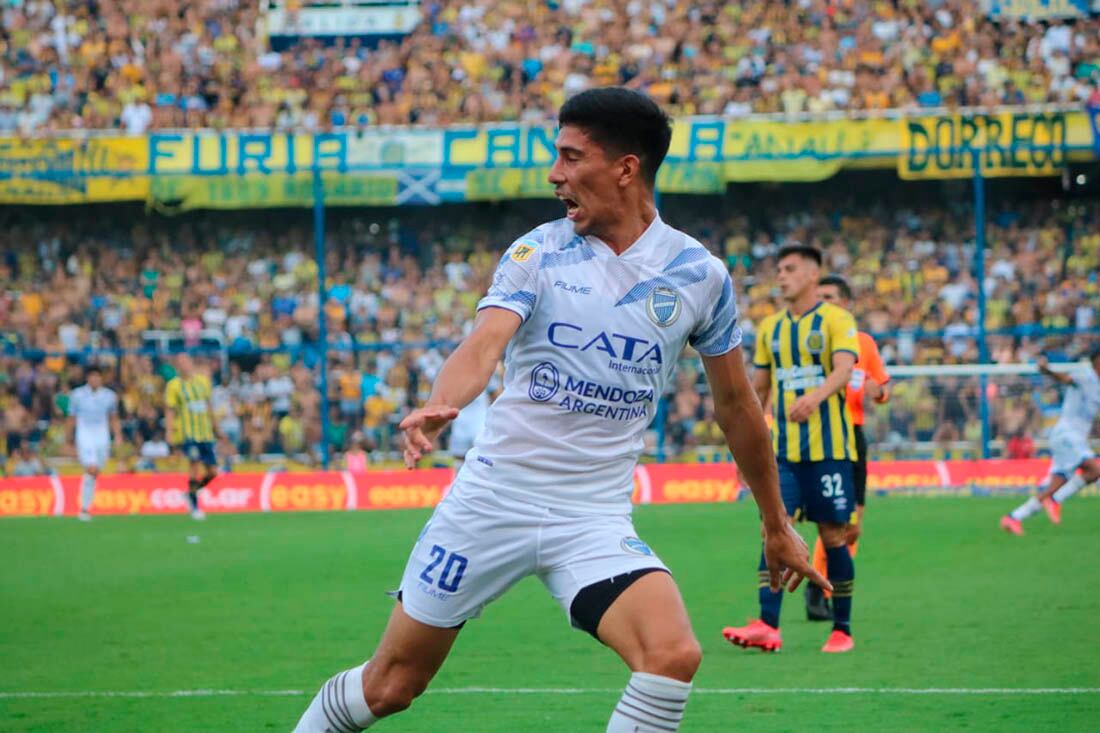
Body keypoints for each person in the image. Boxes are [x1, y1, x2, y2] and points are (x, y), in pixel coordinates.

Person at [294, 87, 826, 733]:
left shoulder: (699, 274)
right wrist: (443, 402)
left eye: (572, 158)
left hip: (592, 515)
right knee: (392, 685)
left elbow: (738, 405)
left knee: (672, 653)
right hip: (493, 500)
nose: (556, 175)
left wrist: (774, 521)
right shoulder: (537, 251)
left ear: (626, 168)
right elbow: (483, 342)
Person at [722, 245, 860, 654]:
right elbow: (757, 391)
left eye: (790, 269)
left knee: (834, 536)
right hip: (782, 453)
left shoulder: (837, 319)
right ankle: (768, 624)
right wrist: (743, 454)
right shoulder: (771, 328)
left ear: (813, 275)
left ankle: (842, 629)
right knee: (772, 528)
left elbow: (844, 369)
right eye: (779, 270)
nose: (781, 276)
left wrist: (814, 398)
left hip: (830, 449)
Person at [804, 275, 890, 621]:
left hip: (852, 435)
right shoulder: (810, 340)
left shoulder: (864, 344)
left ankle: (827, 591)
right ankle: (815, 590)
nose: (824, 302)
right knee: (830, 520)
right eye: (819, 296)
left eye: (830, 297)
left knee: (852, 523)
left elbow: (883, 390)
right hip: (819, 435)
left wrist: (877, 391)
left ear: (846, 303)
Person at [1001, 350, 1100, 535]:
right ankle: (1056, 500)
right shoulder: (1086, 376)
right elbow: (1065, 379)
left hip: (1073, 438)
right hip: (1066, 436)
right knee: (1094, 470)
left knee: (1055, 485)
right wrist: (1046, 370)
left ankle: (1014, 517)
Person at [164, 354, 217, 520]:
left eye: (186, 362)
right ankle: (195, 506)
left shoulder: (202, 382)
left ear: (191, 363)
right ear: (177, 367)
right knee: (194, 465)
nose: (184, 365)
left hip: (206, 433)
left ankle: (190, 494)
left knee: (213, 472)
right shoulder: (174, 386)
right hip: (188, 433)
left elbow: (209, 406)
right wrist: (170, 432)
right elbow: (170, 410)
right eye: (180, 363)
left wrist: (217, 427)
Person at [68, 365, 122, 521]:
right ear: (87, 378)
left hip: (102, 436)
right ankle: (84, 509)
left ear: (101, 378)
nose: (95, 379)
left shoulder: (110, 396)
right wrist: (68, 438)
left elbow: (113, 417)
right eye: (92, 376)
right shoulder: (77, 395)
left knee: (95, 471)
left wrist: (117, 436)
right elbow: (71, 418)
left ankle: (86, 506)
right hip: (84, 435)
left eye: (97, 376)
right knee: (91, 469)